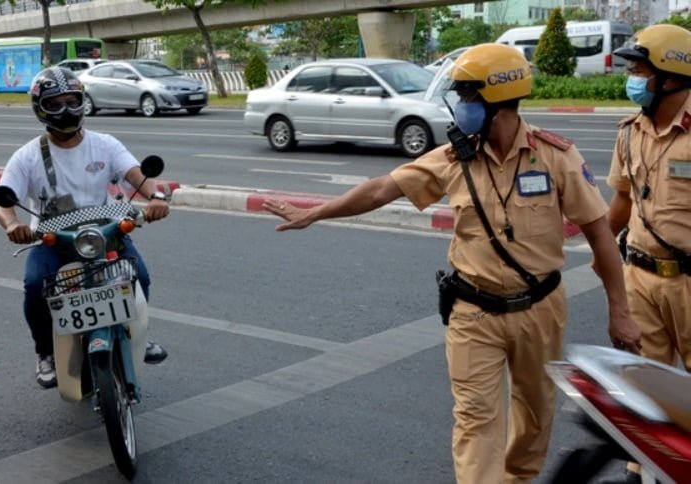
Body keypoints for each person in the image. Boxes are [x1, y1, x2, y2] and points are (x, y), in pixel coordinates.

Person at [263, 44, 642, 483]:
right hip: (473, 312)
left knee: (535, 418)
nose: (461, 106)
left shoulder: (555, 156)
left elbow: (600, 233)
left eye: (467, 96)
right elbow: (383, 188)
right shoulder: (451, 159)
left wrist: (620, 310)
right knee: (476, 420)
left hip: (541, 310)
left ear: (497, 100)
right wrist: (316, 212)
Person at [0, 67, 169, 389]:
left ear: (83, 102)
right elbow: (3, 199)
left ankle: (136, 334)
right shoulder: (28, 156)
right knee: (34, 286)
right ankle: (45, 352)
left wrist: (156, 197)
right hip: (52, 240)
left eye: (72, 101)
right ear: (40, 108)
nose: (66, 110)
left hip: (106, 234)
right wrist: (12, 224)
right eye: (55, 103)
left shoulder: (105, 145)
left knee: (138, 276)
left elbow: (136, 175)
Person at [604, 23, 691, 484]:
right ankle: (644, 472)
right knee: (644, 384)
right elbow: (621, 201)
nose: (632, 77)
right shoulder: (629, 131)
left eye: (640, 68)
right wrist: (577, 240)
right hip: (639, 274)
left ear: (671, 74)